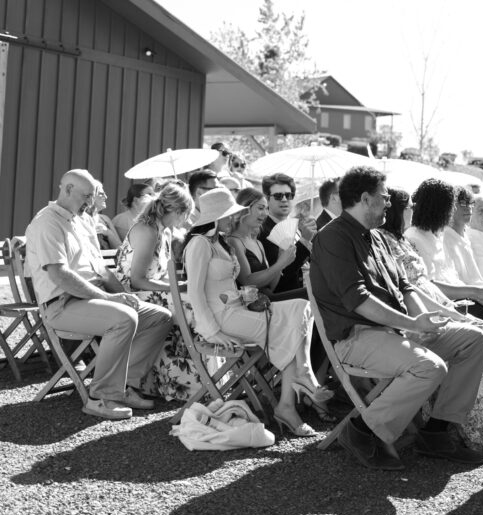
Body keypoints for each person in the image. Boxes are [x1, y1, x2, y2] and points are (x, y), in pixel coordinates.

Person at [311, 166, 483, 470]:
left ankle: (436, 431)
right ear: (365, 199)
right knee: (428, 367)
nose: (389, 203)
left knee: (474, 339)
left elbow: (405, 287)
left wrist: (426, 319)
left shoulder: (377, 237)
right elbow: (358, 301)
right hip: (356, 338)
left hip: (394, 332)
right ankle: (362, 431)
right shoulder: (332, 237)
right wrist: (413, 324)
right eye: (384, 197)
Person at [380, 187, 483, 457]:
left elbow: (421, 286)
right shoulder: (393, 242)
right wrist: (446, 314)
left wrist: (452, 310)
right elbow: (410, 291)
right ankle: (458, 429)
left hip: (433, 307)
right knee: (479, 334)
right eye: (408, 206)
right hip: (415, 320)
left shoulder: (402, 240)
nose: (413, 209)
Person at [25, 169, 172, 420]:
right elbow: (60, 275)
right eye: (86, 196)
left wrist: (126, 295)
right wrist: (109, 299)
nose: (90, 202)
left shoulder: (82, 220)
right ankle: (100, 397)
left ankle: (125, 386)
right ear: (67, 189)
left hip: (92, 299)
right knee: (123, 318)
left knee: (160, 317)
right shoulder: (47, 222)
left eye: (92, 197)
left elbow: (101, 270)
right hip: (61, 305)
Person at [185, 187, 324, 437]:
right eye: (230, 214)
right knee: (289, 328)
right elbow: (194, 292)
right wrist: (213, 331)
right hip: (220, 319)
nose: (234, 217)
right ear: (217, 217)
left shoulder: (220, 243)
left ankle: (302, 374)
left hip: (238, 309)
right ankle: (288, 404)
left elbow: (229, 286)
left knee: (301, 307)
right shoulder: (199, 244)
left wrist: (250, 297)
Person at [114, 181, 200, 401]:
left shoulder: (165, 232)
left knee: (195, 299)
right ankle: (188, 382)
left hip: (148, 291)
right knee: (191, 306)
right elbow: (137, 280)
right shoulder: (148, 231)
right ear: (177, 211)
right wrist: (175, 288)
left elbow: (159, 275)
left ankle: (179, 381)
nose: (187, 220)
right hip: (130, 293)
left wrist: (180, 285)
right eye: (186, 214)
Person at [259, 173, 316, 294]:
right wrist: (304, 241)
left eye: (289, 195)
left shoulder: (296, 226)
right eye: (278, 196)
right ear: (267, 199)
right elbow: (280, 276)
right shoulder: (263, 231)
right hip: (287, 297)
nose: (284, 199)